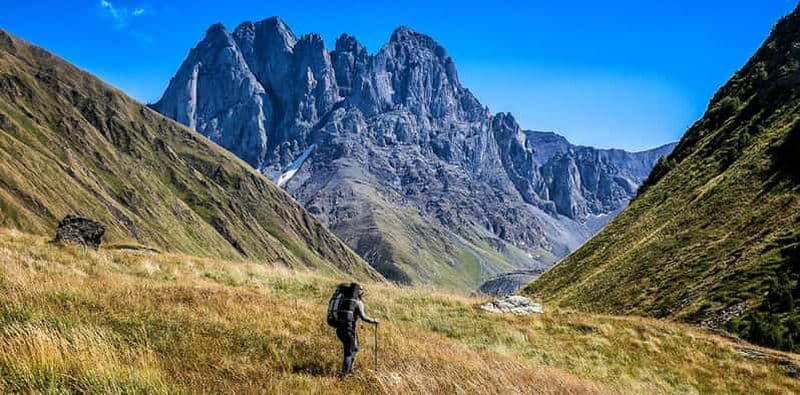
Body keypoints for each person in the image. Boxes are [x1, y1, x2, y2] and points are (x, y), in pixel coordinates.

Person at [330, 282, 379, 376]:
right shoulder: (358, 303)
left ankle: (349, 370)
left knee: (354, 348)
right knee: (349, 352)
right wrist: (374, 321)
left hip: (340, 329)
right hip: (349, 329)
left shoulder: (343, 300)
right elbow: (364, 317)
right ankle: (345, 374)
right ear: (359, 292)